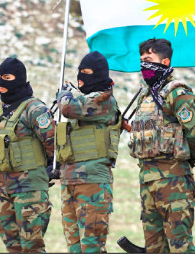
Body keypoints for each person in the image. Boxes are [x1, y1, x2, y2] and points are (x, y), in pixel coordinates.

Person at [128, 38, 195, 253]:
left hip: (174, 182)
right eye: (142, 61)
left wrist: (186, 162)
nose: (144, 65)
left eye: (149, 59)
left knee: (180, 244)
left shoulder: (177, 94)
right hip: (147, 181)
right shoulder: (144, 96)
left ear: (165, 62)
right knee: (154, 246)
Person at [0, 56, 55, 253]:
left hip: (29, 188)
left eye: (7, 78)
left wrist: (47, 170)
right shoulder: (1, 111)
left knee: (32, 246)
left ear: (19, 79)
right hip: (3, 189)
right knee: (12, 246)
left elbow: (52, 144)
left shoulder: (35, 109)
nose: (1, 82)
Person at [54, 51, 120, 253]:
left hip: (92, 182)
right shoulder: (84, 103)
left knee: (91, 245)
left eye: (87, 72)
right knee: (75, 247)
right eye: (80, 71)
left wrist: (63, 94)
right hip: (70, 181)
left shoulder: (103, 101)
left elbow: (67, 108)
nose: (81, 76)